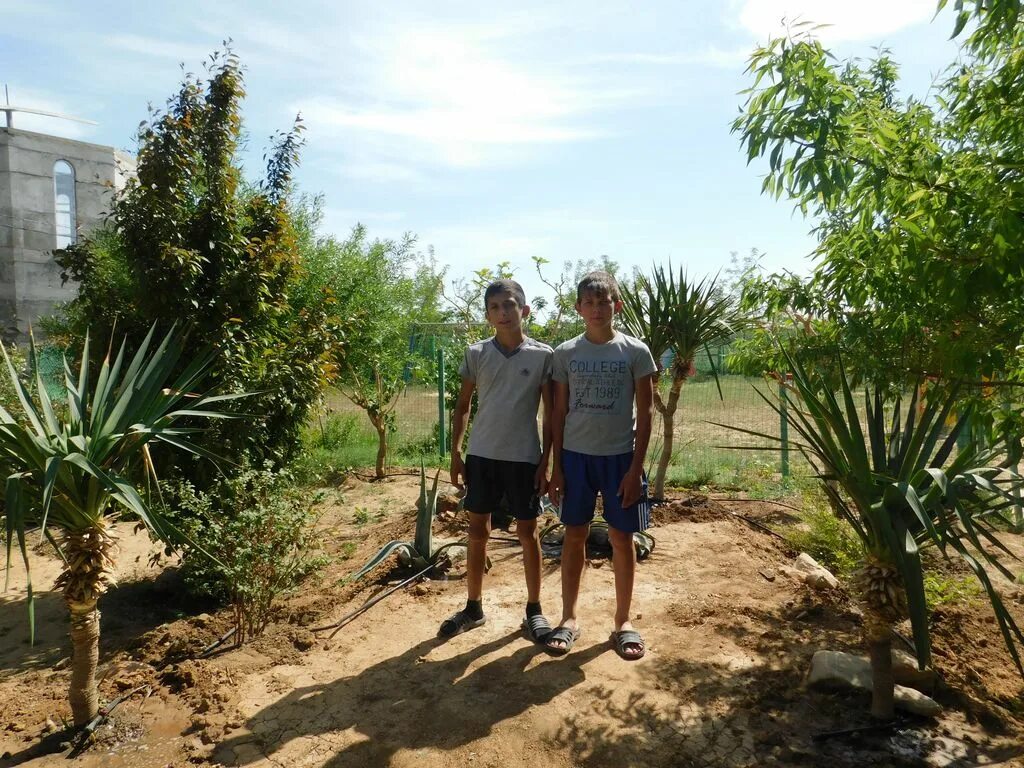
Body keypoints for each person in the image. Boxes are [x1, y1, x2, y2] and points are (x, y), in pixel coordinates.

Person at [546, 271, 656, 660]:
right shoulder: (565, 354)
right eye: (589, 303)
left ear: (616, 306)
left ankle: (623, 622)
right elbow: (558, 411)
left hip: (620, 460)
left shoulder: (635, 352)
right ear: (578, 308)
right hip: (575, 459)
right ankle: (569, 618)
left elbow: (646, 415)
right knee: (573, 536)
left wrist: (634, 469)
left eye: (603, 302)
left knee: (621, 540)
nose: (596, 309)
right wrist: (557, 468)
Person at [439, 279, 555, 643]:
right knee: (477, 531)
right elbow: (462, 408)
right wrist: (456, 454)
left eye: (509, 305)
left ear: (524, 310)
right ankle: (473, 607)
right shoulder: (477, 354)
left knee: (528, 532)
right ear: (487, 315)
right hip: (482, 456)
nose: (503, 313)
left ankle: (534, 610)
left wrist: (547, 461)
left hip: (523, 458)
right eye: (495, 308)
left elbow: (552, 415)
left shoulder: (543, 356)